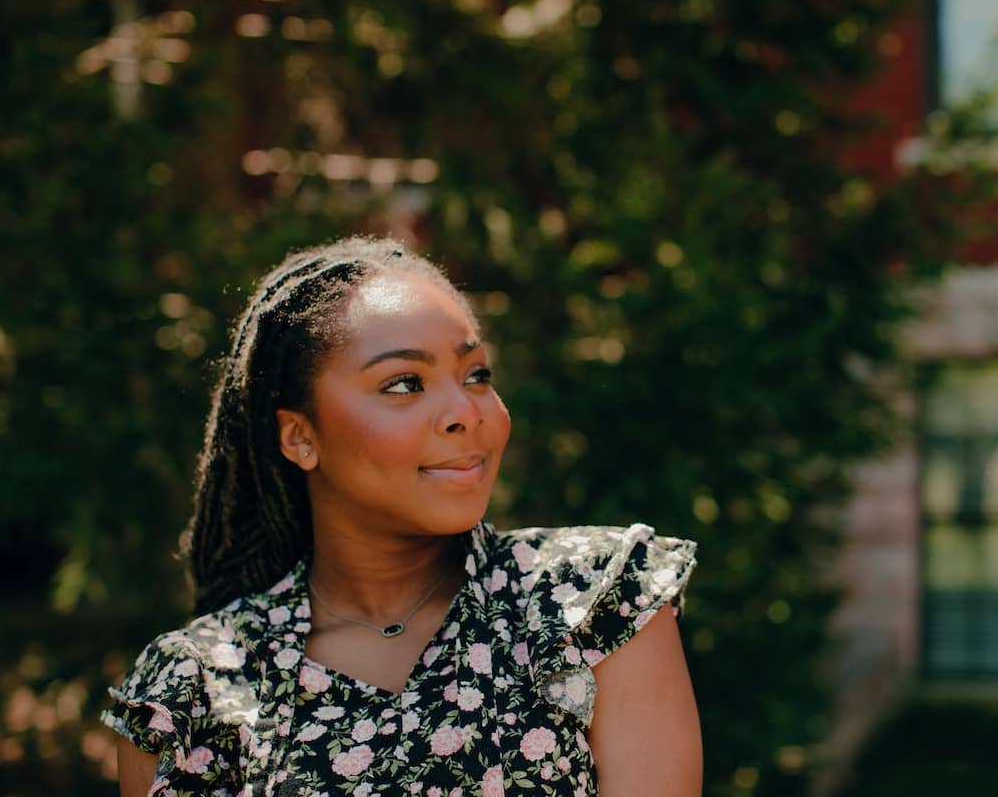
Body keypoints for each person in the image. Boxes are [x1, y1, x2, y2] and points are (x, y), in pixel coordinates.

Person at [102, 237, 702, 796]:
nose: (465, 411)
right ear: (300, 437)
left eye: (476, 375)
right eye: (403, 383)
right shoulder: (194, 689)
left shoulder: (593, 602)